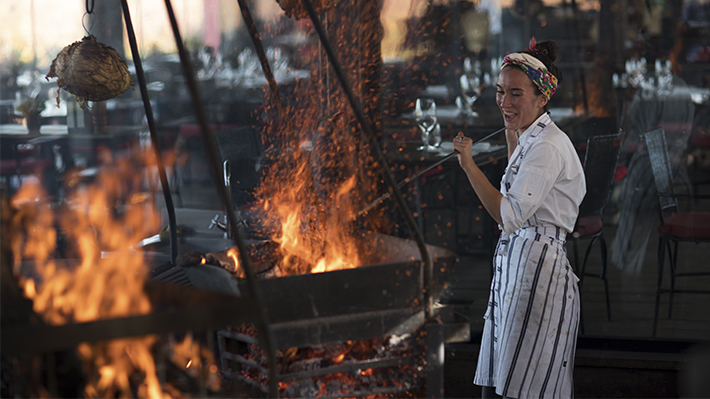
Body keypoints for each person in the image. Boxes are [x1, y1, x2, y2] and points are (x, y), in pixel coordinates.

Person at [453, 39, 586, 398]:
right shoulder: (533, 136)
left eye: (516, 94)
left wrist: (468, 164)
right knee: (507, 371)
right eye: (500, 92)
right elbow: (520, 184)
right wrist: (513, 138)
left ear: (542, 98)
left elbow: (509, 214)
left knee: (527, 383)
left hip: (537, 272)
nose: (504, 103)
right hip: (520, 262)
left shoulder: (546, 147)